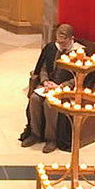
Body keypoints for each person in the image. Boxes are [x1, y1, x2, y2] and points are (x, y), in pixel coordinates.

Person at [20, 24, 81, 153]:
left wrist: (61, 86)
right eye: (59, 41)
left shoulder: (78, 53)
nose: (61, 45)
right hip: (48, 85)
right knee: (34, 98)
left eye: (64, 43)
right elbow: (43, 68)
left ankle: (51, 138)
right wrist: (45, 81)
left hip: (64, 89)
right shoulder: (51, 48)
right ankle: (35, 134)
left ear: (71, 39)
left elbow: (78, 78)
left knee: (50, 103)